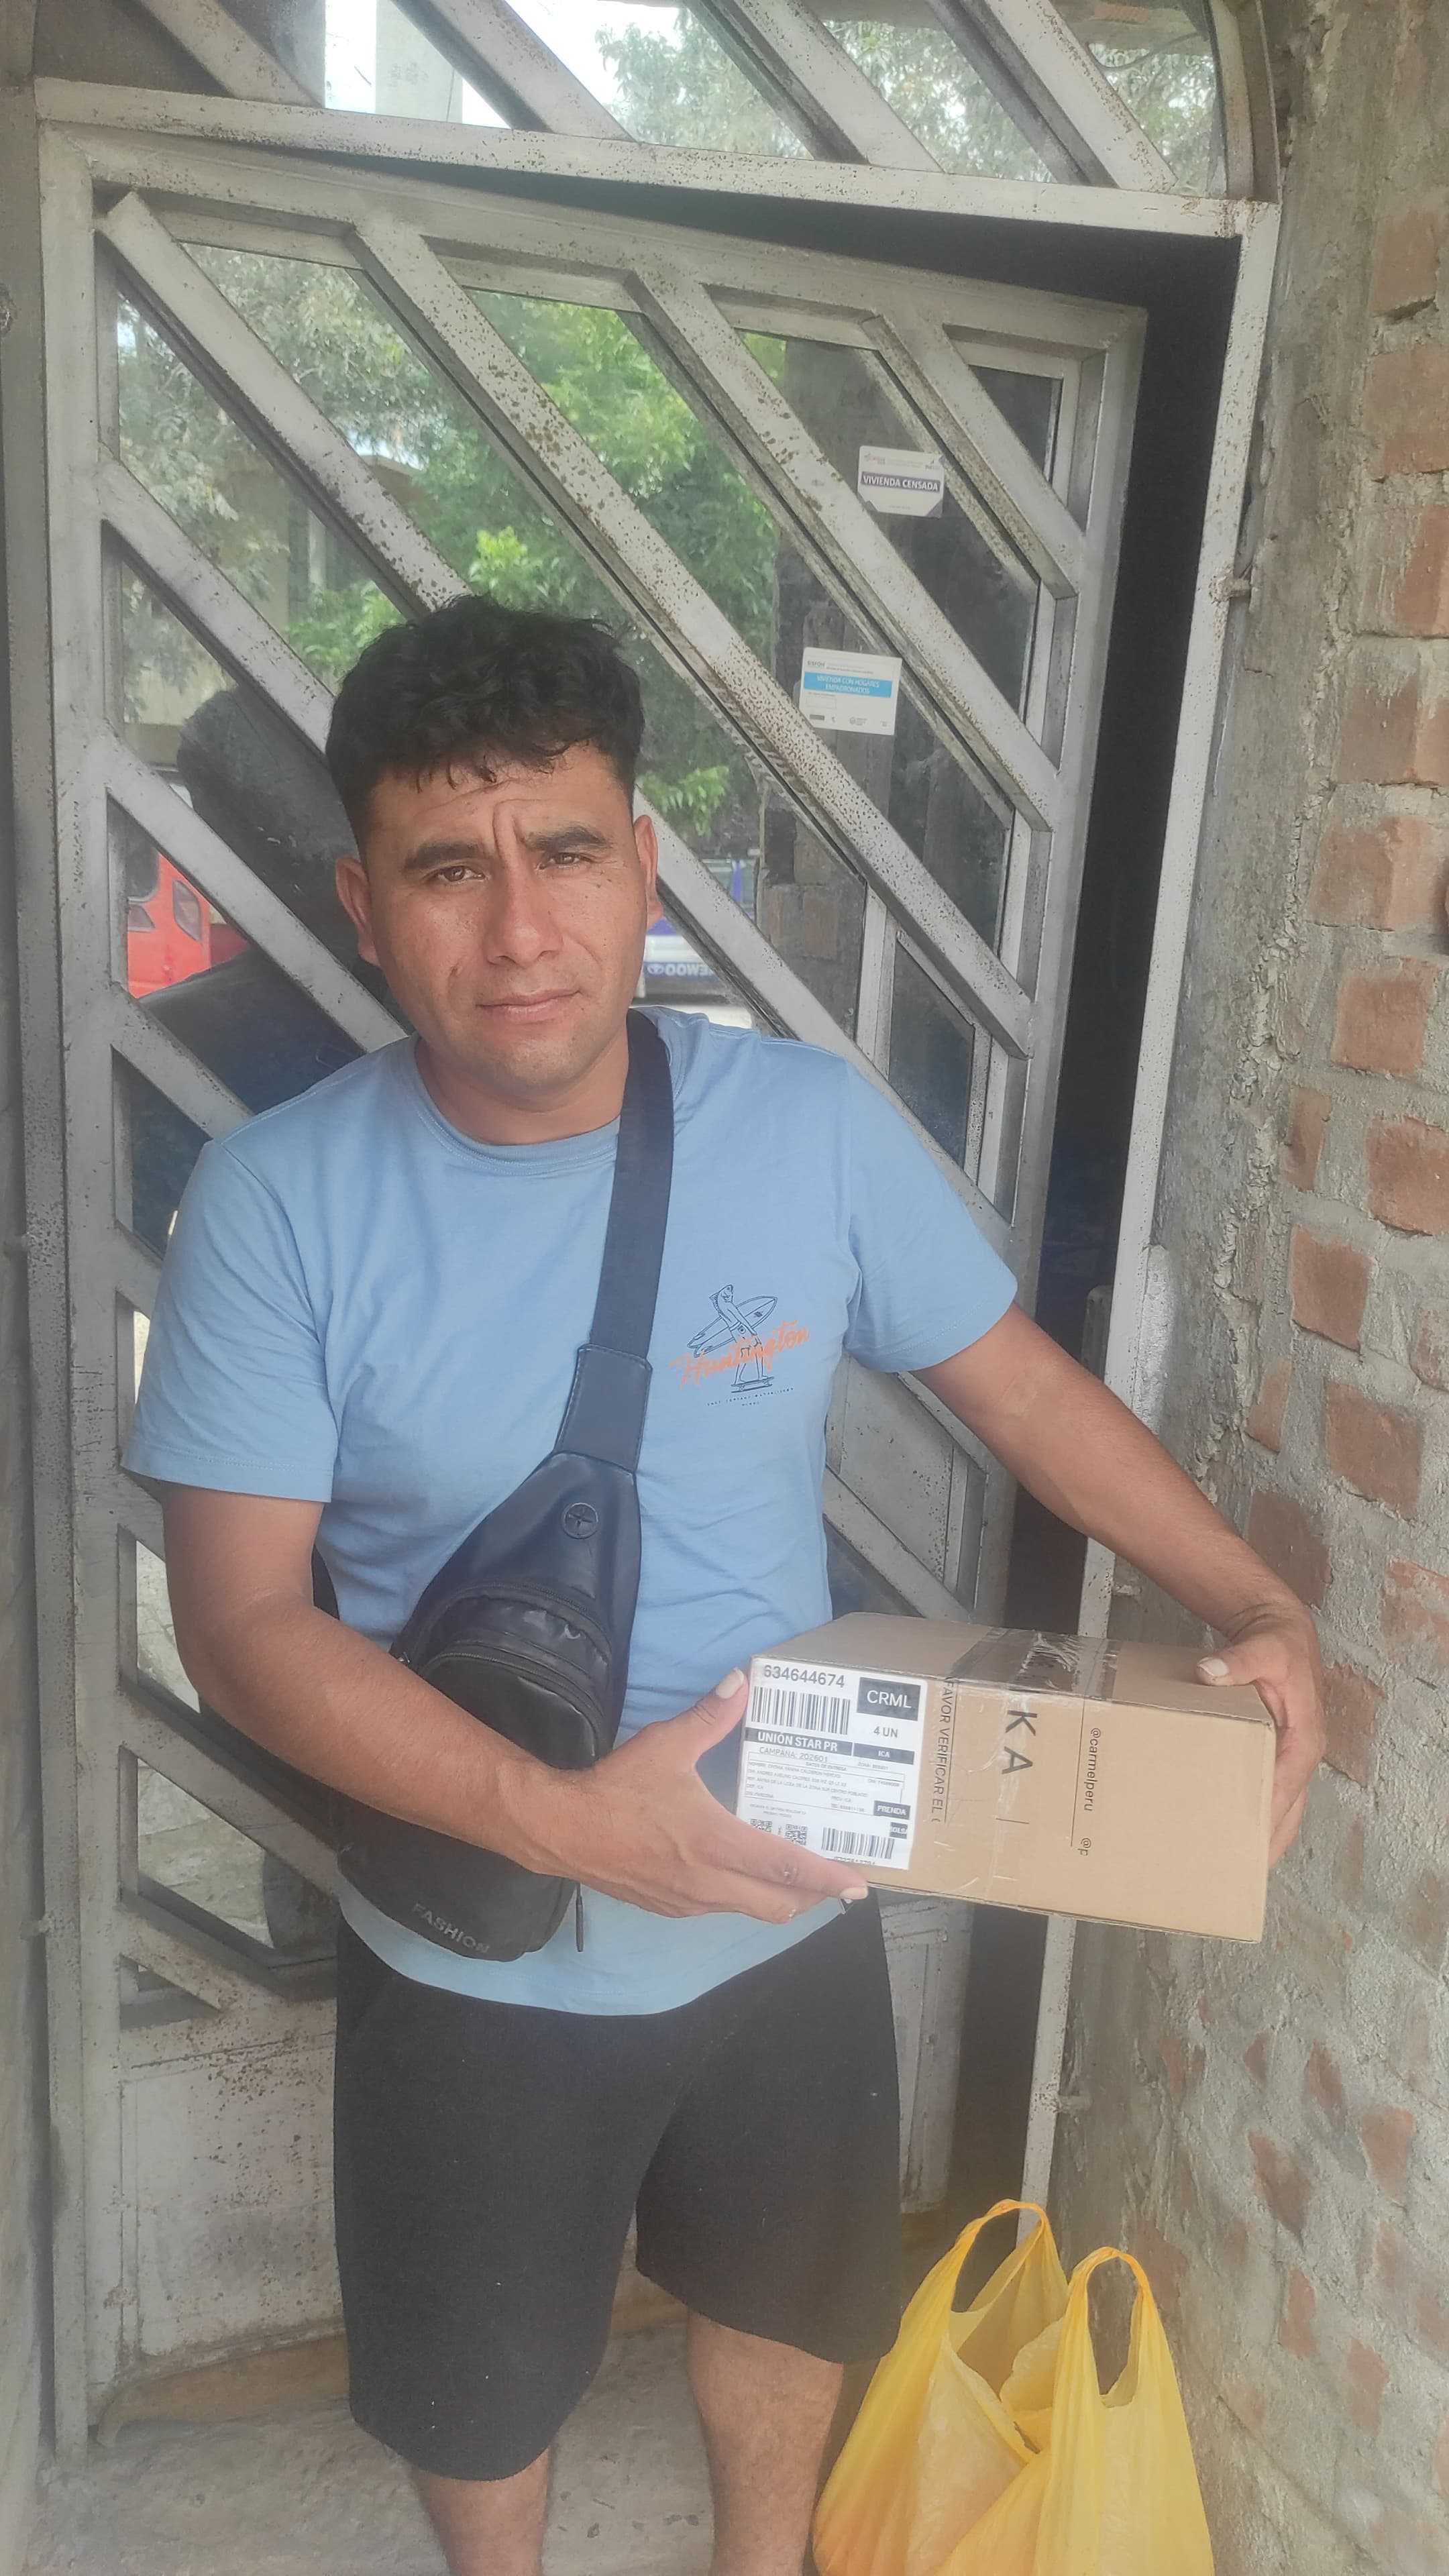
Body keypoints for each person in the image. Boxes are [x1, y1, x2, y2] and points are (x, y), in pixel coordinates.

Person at [126, 598, 1324, 2576]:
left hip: (788, 1903)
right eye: (449, 867)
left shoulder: (803, 1131)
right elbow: (243, 1629)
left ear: (643, 864)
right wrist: (570, 1823)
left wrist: (1250, 1595)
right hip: (480, 1933)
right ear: (364, 904)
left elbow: (1020, 1388)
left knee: (787, 2311)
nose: (521, 927)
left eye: (565, 851)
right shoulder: (278, 1206)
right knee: (483, 2393)